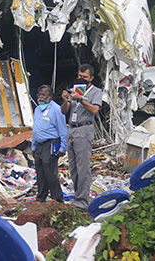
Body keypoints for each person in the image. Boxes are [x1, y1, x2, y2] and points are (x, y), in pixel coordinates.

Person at [61, 63, 102, 210]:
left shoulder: (95, 92)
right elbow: (64, 111)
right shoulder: (75, 89)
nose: (81, 78)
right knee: (73, 166)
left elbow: (95, 110)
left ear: (91, 78)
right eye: (79, 76)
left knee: (82, 166)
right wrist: (66, 100)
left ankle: (83, 201)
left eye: (84, 77)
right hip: (72, 128)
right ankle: (78, 196)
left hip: (84, 128)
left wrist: (81, 99)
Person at [31, 85, 68, 203]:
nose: (41, 97)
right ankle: (41, 197)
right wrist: (33, 145)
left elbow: (63, 130)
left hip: (51, 143)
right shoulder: (37, 109)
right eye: (39, 94)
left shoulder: (56, 109)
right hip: (39, 145)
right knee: (40, 171)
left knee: (50, 172)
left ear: (50, 97)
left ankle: (57, 199)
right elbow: (35, 129)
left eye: (44, 95)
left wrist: (63, 147)